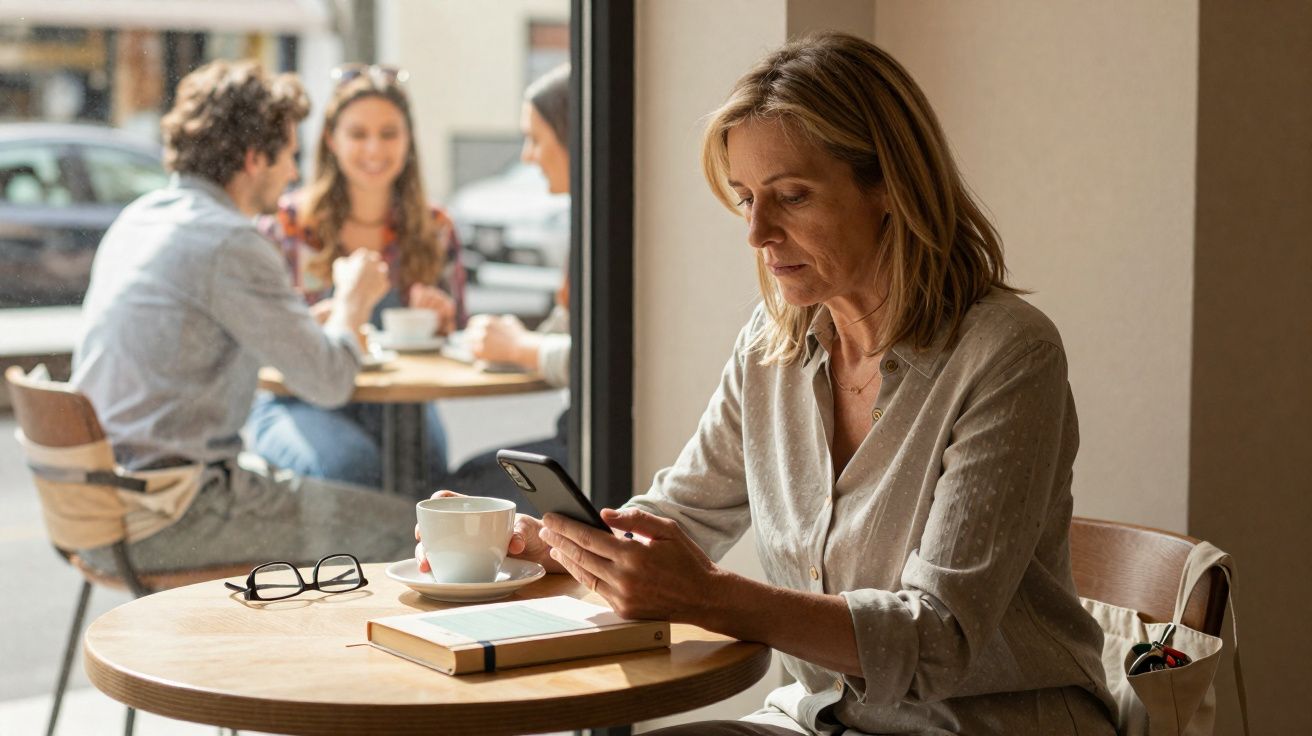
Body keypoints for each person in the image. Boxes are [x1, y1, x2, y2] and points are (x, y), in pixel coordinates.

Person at [421, 34, 1117, 734]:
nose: (757, 232)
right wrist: (550, 545)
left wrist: (712, 597)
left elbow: (939, 640)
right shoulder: (772, 344)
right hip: (819, 719)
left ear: (889, 186)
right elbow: (681, 516)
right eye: (746, 198)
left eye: (792, 196)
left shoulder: (1007, 353)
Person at [72, 60, 417, 574]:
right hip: (170, 513)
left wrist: (308, 324)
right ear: (255, 158)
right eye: (290, 155)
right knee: (412, 530)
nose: (294, 172)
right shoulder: (230, 240)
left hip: (94, 507)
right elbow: (329, 383)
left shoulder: (139, 218)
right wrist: (353, 302)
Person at [247, 64, 465, 491]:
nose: (374, 148)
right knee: (352, 466)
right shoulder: (285, 226)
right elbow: (255, 342)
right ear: (332, 139)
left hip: (401, 404)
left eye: (389, 134)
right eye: (358, 134)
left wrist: (444, 324)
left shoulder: (435, 228)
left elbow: (463, 342)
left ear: (408, 140)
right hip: (298, 399)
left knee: (428, 473)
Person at [444, 64, 572, 507]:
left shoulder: (608, 237)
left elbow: (600, 364)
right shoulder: (587, 231)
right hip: (574, 434)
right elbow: (566, 336)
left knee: (455, 492)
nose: (527, 157)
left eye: (535, 139)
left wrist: (519, 346)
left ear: (572, 137)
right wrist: (510, 339)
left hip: (589, 446)